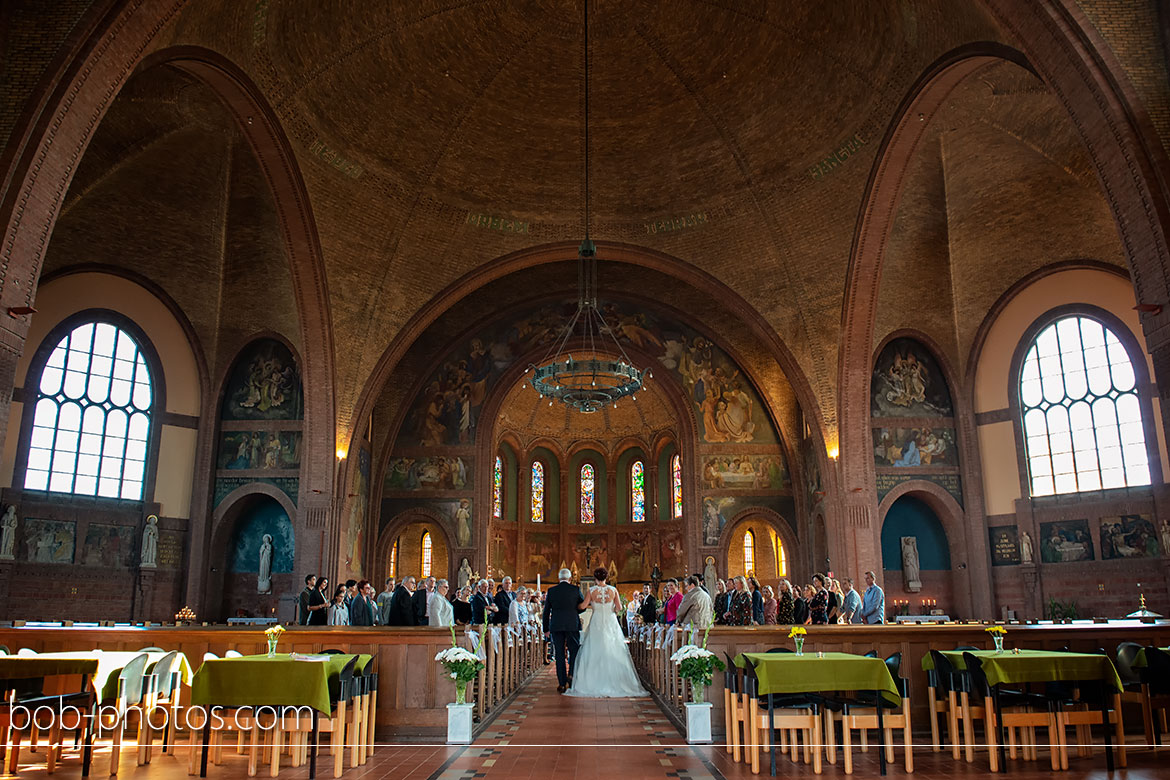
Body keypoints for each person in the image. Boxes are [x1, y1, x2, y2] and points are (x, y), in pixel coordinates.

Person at [565, 568, 647, 698]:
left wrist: (572, 606)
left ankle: (592, 682)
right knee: (613, 649)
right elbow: (619, 608)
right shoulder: (613, 590)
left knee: (594, 649)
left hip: (597, 621)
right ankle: (617, 681)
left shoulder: (592, 591)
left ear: (595, 578)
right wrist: (611, 611)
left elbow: (583, 606)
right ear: (606, 577)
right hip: (610, 621)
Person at [543, 567, 585, 693]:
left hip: (556, 625)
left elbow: (546, 612)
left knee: (559, 654)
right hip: (572, 624)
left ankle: (562, 683)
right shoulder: (575, 589)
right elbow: (582, 606)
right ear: (570, 578)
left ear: (559, 578)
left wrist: (546, 628)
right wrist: (573, 611)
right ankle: (571, 676)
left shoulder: (551, 591)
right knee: (574, 651)